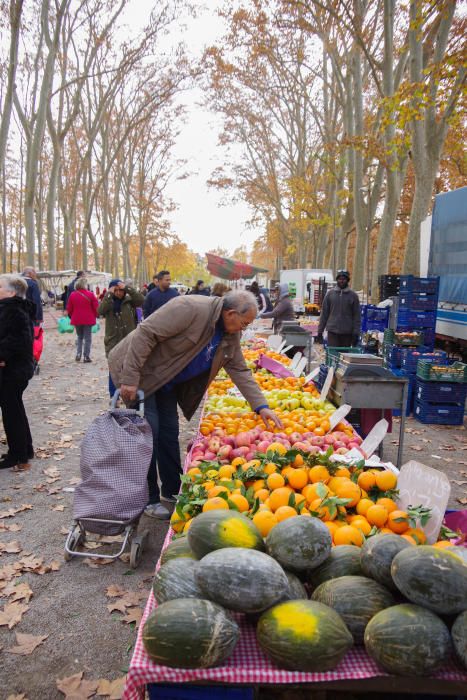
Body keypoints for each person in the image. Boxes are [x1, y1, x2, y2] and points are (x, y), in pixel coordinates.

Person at [108, 291, 282, 520]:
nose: (244, 329)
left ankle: (171, 490)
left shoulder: (229, 335)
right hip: (138, 374)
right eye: (244, 323)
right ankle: (148, 499)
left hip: (167, 381)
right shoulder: (189, 307)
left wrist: (261, 406)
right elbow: (146, 332)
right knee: (147, 434)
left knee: (169, 433)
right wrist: (129, 377)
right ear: (230, 313)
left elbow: (239, 368)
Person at [0, 274, 35, 471]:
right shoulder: (13, 308)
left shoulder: (12, 310)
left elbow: (18, 341)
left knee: (11, 411)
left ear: (11, 292)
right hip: (16, 367)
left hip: (15, 370)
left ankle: (18, 454)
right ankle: (24, 449)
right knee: (15, 409)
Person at [97, 279, 144, 397]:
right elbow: (100, 311)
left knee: (131, 367)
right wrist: (108, 294)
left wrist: (127, 288)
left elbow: (141, 300)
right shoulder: (108, 301)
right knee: (114, 369)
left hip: (129, 339)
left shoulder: (129, 301)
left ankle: (132, 393)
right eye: (116, 290)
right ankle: (114, 396)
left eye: (121, 290)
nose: (118, 293)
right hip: (113, 340)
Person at [316, 270, 361, 347]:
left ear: (347, 280)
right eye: (340, 279)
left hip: (347, 333)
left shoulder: (353, 296)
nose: (342, 281)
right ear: (337, 280)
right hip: (332, 332)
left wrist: (356, 332)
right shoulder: (330, 294)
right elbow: (324, 314)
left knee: (344, 356)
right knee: (333, 355)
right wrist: (320, 331)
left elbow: (356, 316)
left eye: (344, 279)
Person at [66, 277, 98, 362]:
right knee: (88, 338)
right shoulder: (90, 294)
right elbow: (96, 307)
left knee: (80, 337)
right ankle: (86, 356)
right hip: (88, 319)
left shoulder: (72, 294)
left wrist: (72, 316)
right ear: (85, 285)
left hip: (77, 319)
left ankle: (78, 353)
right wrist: (95, 315)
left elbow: (69, 309)